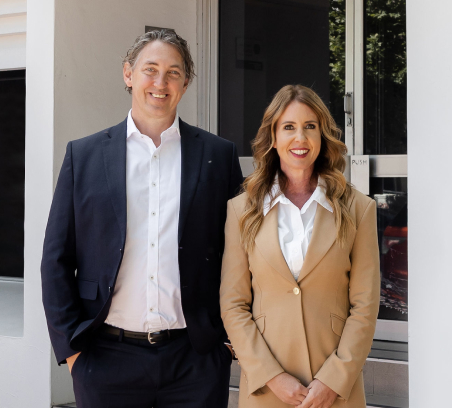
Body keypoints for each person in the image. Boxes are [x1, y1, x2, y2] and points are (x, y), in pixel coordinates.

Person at [41, 28, 242, 408]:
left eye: (173, 72)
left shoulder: (218, 155)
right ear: (128, 75)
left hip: (195, 361)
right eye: (150, 69)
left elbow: (242, 254)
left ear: (186, 83)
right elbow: (55, 260)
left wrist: (227, 343)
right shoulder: (83, 157)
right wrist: (72, 353)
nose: (160, 83)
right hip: (105, 359)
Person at [220, 85, 380, 408]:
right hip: (266, 391)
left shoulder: (358, 209)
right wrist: (272, 377)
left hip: (336, 392)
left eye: (310, 127)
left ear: (322, 136)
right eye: (289, 127)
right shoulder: (242, 210)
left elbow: (365, 306)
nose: (301, 138)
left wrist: (333, 380)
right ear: (273, 137)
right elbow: (233, 305)